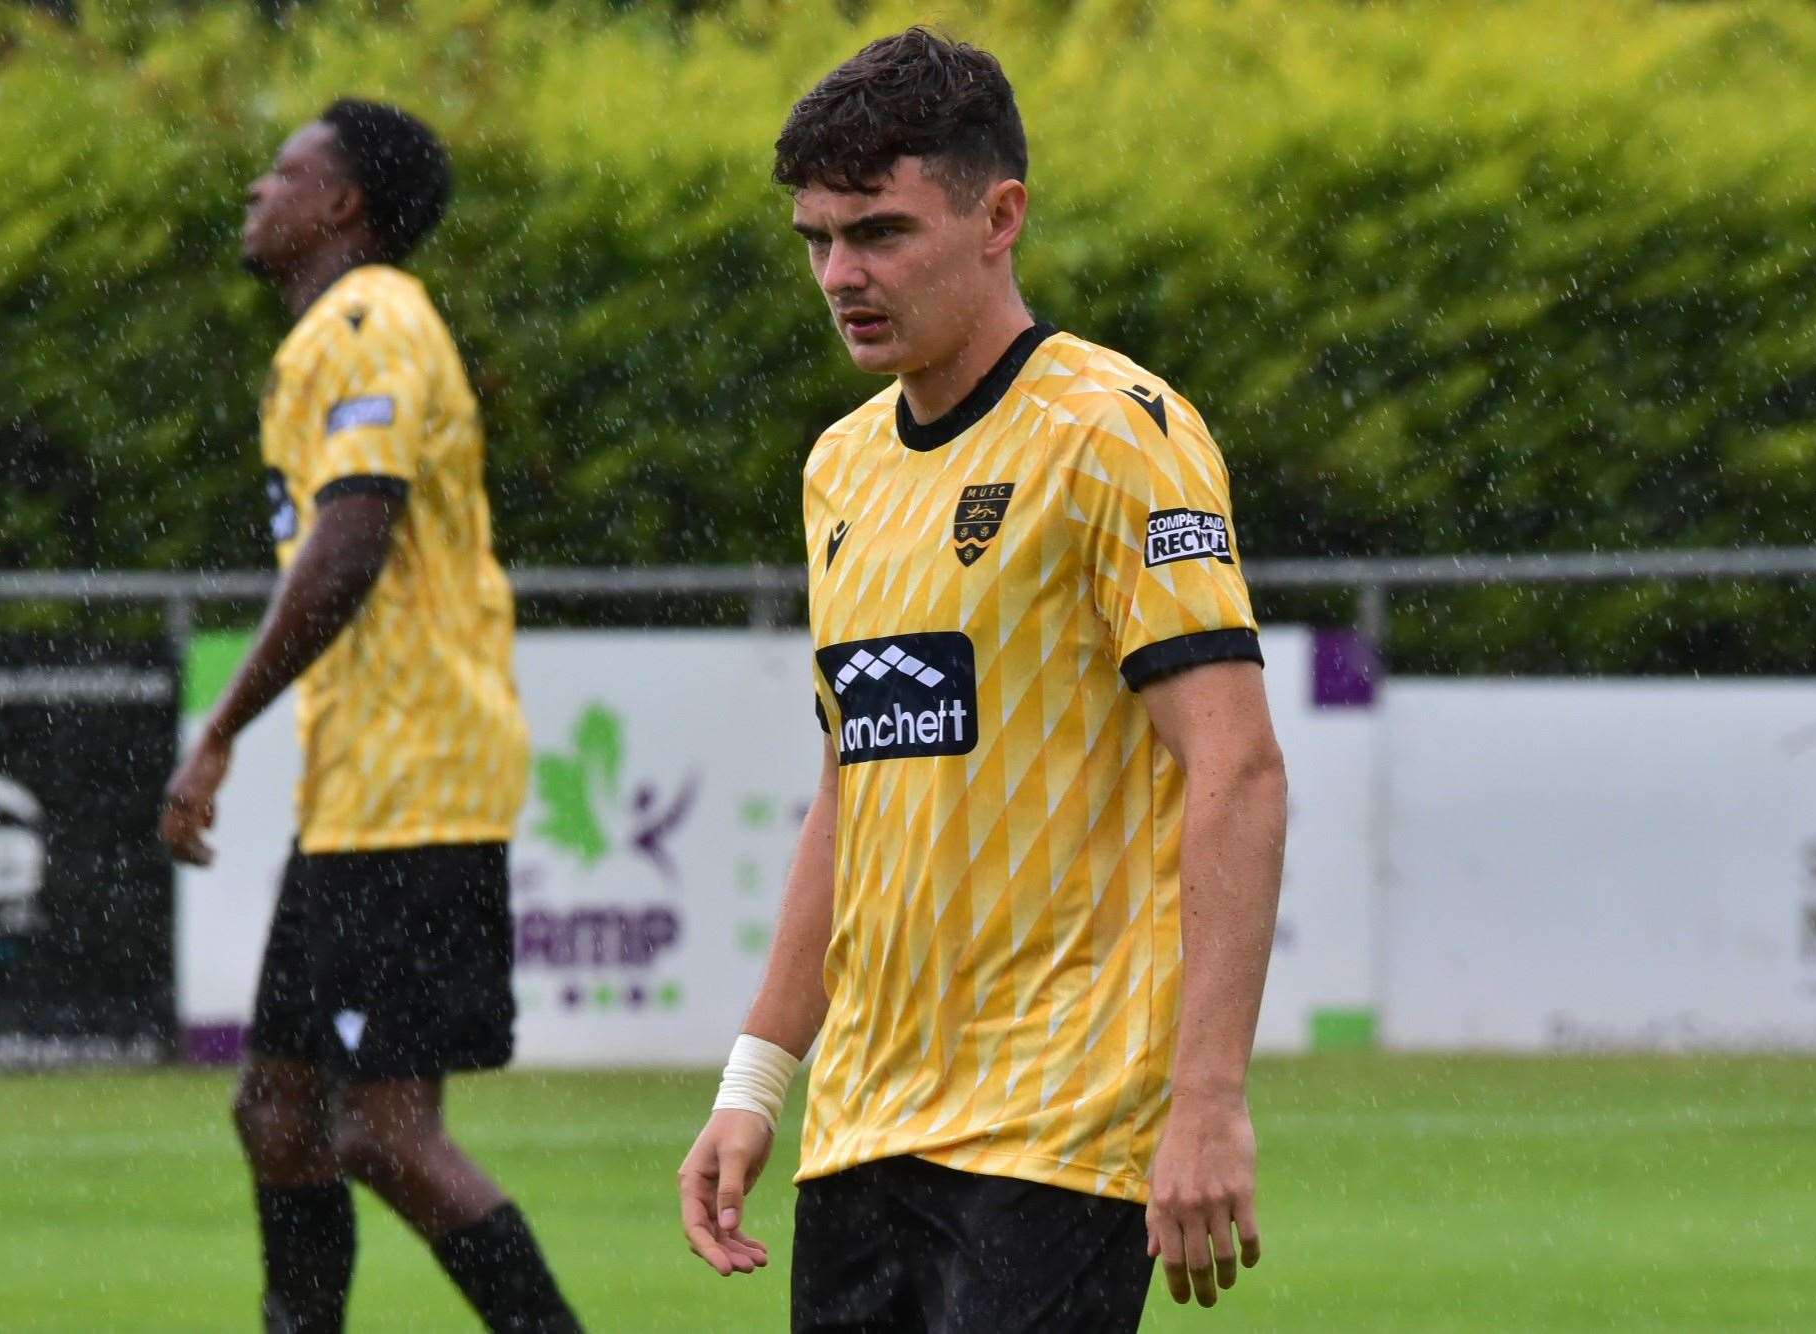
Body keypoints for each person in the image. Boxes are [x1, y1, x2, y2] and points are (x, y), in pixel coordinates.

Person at [677, 28, 1288, 1333]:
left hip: (1056, 1127)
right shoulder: (839, 470)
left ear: (999, 214)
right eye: (816, 239)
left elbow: (1235, 766)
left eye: (881, 233)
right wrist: (755, 1079)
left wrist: (1208, 1095)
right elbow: (856, 787)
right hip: (862, 1129)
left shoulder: (1116, 436)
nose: (841, 273)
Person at [159, 98, 582, 1334]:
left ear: (343, 205)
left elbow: (349, 542)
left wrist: (224, 724)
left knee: (384, 1130)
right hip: (368, 787)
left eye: (284, 171)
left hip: (419, 780)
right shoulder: (326, 338)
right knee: (280, 1114)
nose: (257, 188)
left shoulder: (371, 318)